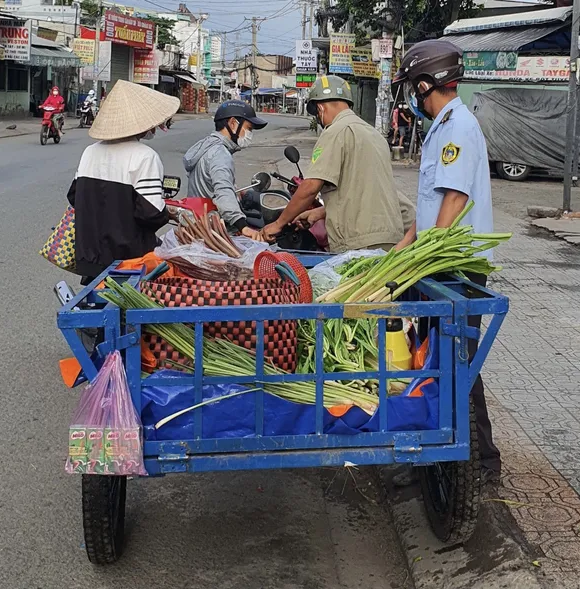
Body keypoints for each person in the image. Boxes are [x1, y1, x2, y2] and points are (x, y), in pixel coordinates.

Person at [392, 39, 501, 482]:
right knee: (445, 362)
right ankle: (453, 459)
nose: (410, 97)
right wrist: (402, 248)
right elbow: (432, 202)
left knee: (456, 365)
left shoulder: (457, 126)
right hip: (440, 261)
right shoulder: (443, 124)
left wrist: (424, 255)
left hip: (455, 267)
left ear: (424, 84)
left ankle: (478, 464)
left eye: (411, 88)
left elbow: (455, 196)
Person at [260, 75, 412, 252]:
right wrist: (319, 213)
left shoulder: (335, 131)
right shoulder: (374, 135)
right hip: (390, 237)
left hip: (358, 242)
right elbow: (362, 191)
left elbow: (310, 187)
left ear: (320, 108)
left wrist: (278, 224)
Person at [66, 80, 180, 284]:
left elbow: (75, 197)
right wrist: (169, 213)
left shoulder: (90, 152)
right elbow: (151, 214)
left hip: (91, 257)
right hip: (130, 262)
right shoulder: (145, 156)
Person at [183, 100, 267, 241]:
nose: (249, 134)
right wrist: (242, 226)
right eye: (249, 128)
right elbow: (223, 191)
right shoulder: (220, 154)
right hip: (214, 232)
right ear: (233, 124)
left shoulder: (207, 146)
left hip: (199, 225)